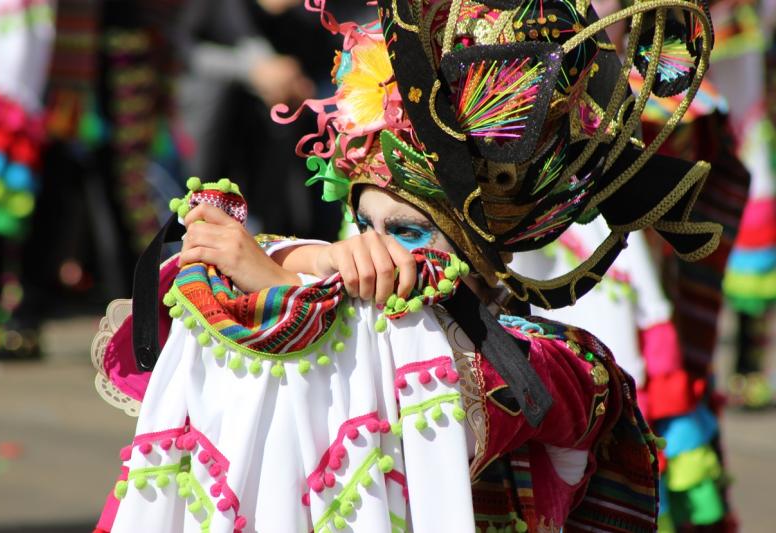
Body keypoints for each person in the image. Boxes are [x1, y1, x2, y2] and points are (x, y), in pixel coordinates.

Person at [93, 1, 720, 531]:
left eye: (412, 232)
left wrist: (287, 282)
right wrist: (310, 258)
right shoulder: (345, 305)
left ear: (489, 249)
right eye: (365, 226)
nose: (379, 250)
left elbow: (418, 369)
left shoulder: (563, 368)